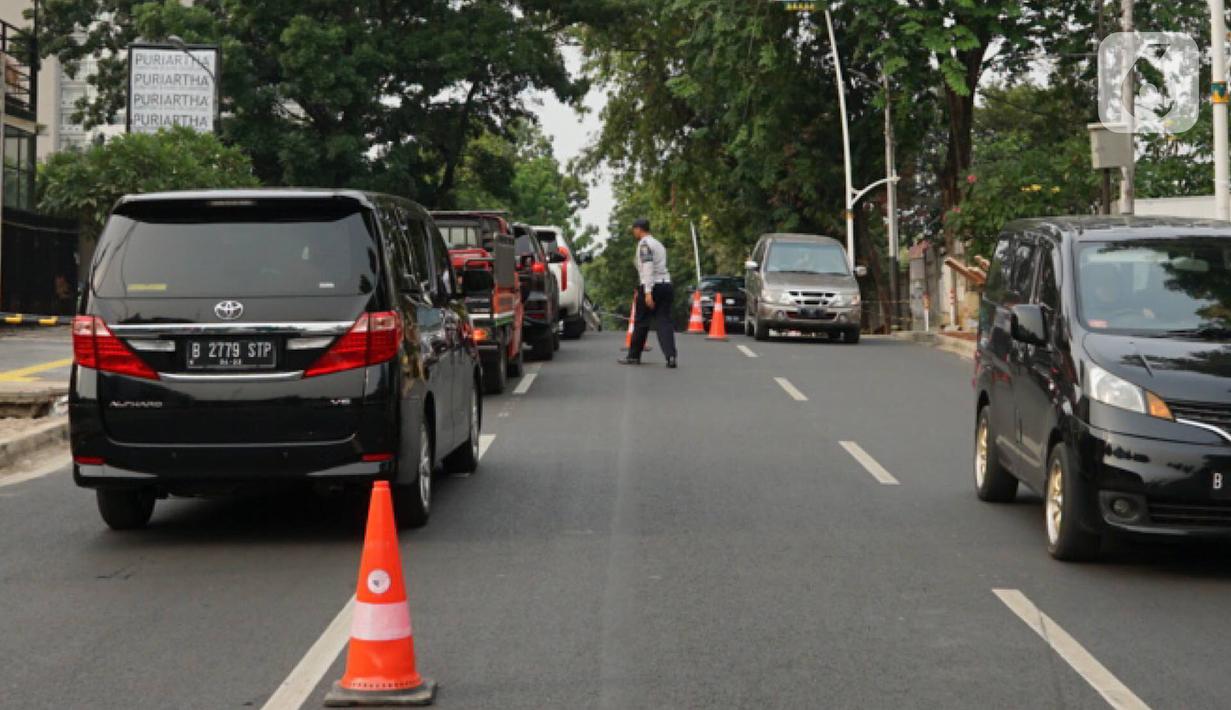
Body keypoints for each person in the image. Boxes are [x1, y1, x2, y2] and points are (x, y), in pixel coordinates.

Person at [619, 218, 678, 368]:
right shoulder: (658, 244)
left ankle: (633, 356)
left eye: (634, 229)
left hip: (651, 285)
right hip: (666, 285)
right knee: (664, 322)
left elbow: (648, 267)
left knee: (641, 322)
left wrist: (647, 292)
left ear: (639, 229)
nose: (634, 232)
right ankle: (671, 356)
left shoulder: (644, 245)